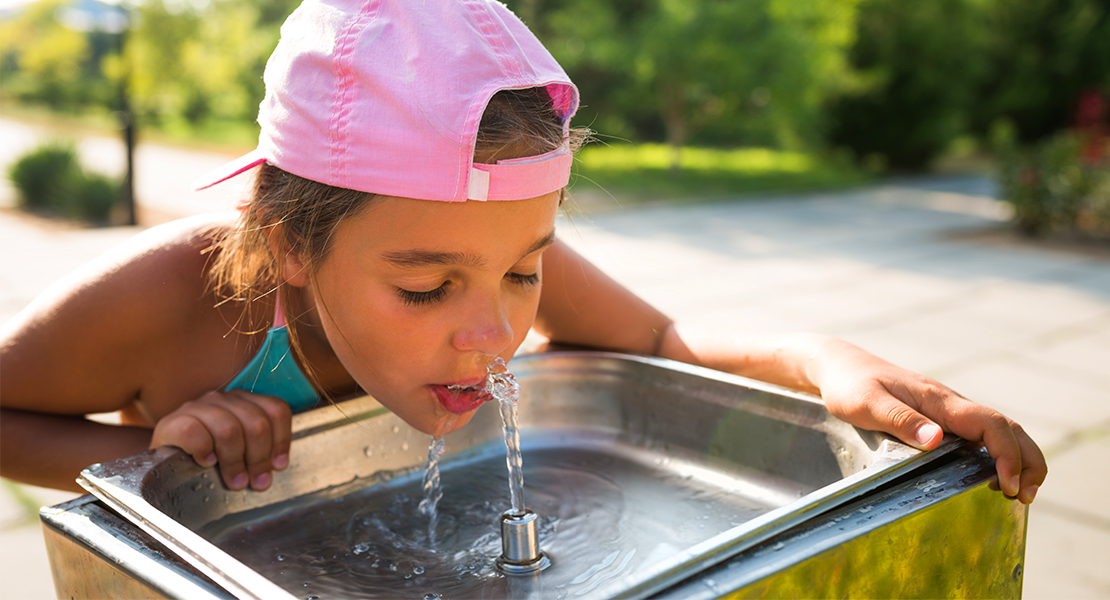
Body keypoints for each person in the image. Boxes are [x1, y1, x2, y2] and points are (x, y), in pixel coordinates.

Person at [0, 0, 1044, 505]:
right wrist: (139, 463)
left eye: (525, 269)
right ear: (292, 247)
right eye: (424, 287)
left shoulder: (468, 252)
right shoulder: (167, 300)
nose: (495, 330)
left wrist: (820, 359)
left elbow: (656, 337)